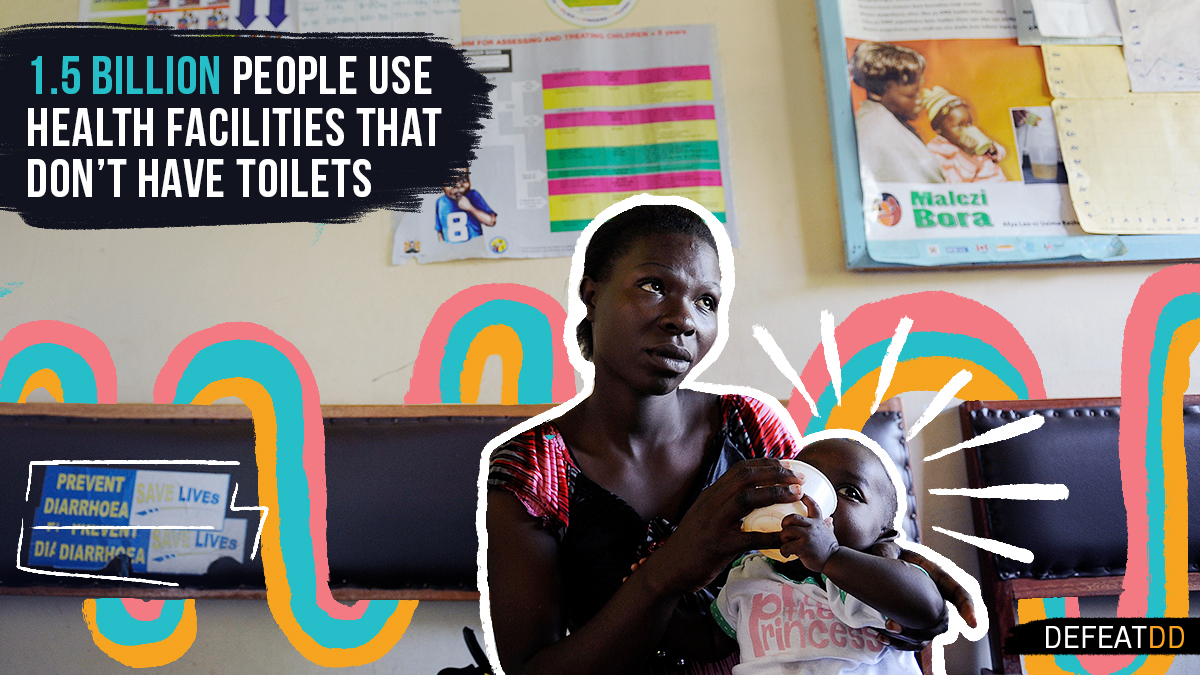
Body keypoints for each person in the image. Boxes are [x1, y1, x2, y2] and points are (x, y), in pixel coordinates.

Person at [485, 200, 972, 675]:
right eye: (654, 285)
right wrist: (666, 572)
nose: (685, 319)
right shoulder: (532, 470)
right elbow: (532, 667)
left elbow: (827, 544)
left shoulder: (749, 425)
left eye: (706, 301)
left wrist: (902, 565)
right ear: (592, 294)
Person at [712, 438, 946, 674]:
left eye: (849, 492)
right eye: (800, 484)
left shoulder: (877, 579)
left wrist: (831, 557)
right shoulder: (748, 575)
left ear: (882, 534)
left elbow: (929, 609)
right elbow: (710, 642)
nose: (811, 500)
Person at [849, 42, 945, 184]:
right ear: (876, 93)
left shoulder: (883, 121)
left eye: (920, 90)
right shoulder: (879, 131)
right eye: (911, 95)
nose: (920, 100)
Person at [922, 86, 1006, 184]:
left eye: (969, 124)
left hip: (1000, 186)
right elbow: (954, 182)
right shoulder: (936, 151)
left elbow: (1001, 155)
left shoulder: (974, 138)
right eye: (959, 126)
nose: (966, 130)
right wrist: (967, 155)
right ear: (939, 129)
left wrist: (993, 150)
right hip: (974, 195)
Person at [435, 168, 497, 244]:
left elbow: (491, 221)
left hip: (474, 247)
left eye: (463, 180)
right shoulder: (441, 202)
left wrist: (470, 208)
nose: (458, 186)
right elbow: (440, 230)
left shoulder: (473, 196)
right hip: (451, 251)